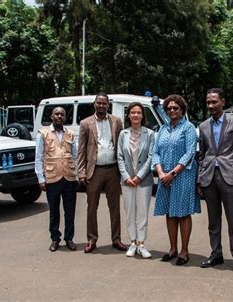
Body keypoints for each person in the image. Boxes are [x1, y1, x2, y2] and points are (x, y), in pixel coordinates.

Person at [197, 88, 233, 275]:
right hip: (209, 176)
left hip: (229, 176)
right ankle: (216, 253)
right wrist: (199, 179)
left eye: (214, 102)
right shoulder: (203, 126)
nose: (211, 105)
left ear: (223, 102)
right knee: (213, 219)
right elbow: (201, 155)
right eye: (208, 102)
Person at [153, 94, 200, 266]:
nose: (172, 110)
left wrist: (172, 173)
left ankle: (184, 251)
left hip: (182, 176)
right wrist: (160, 172)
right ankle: (172, 248)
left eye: (176, 108)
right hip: (164, 175)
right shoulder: (163, 129)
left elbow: (190, 153)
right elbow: (155, 151)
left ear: (182, 110)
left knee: (182, 213)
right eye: (169, 108)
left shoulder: (188, 128)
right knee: (169, 212)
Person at [77, 93, 127, 253]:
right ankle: (92, 239)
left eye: (104, 103)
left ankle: (116, 238)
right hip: (94, 170)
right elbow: (81, 151)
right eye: (99, 103)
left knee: (115, 207)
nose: (101, 106)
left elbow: (122, 145)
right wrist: (81, 172)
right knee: (92, 207)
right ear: (94, 104)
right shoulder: (85, 123)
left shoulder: (116, 121)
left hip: (113, 169)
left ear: (108, 105)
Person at [35, 107, 78, 252]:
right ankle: (55, 238)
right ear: (51, 116)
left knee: (70, 210)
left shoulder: (70, 134)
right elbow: (39, 157)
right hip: (52, 177)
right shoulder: (43, 134)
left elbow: (75, 156)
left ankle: (69, 238)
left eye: (62, 114)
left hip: (69, 177)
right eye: (57, 114)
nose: (59, 116)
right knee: (54, 210)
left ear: (65, 117)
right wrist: (41, 178)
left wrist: (78, 174)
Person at [117, 102, 156, 258]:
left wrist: (139, 176)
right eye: (133, 112)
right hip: (127, 181)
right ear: (128, 115)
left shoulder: (150, 134)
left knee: (142, 213)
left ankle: (141, 244)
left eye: (138, 112)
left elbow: (151, 157)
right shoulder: (123, 134)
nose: (135, 115)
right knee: (129, 212)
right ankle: (132, 242)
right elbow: (119, 157)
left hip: (143, 180)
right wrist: (127, 177)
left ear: (142, 116)